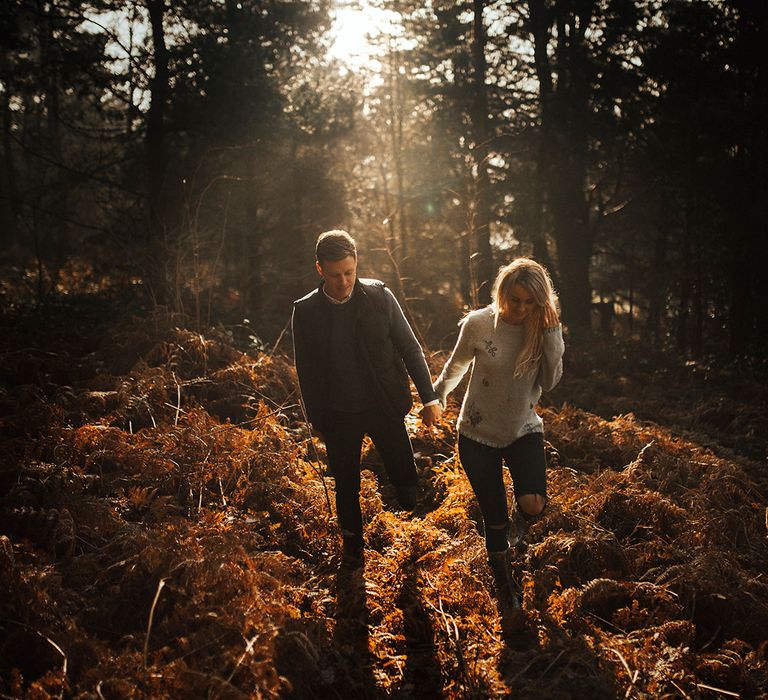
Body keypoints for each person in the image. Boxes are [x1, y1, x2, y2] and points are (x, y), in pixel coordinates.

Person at [292, 230, 442, 566]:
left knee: (405, 479)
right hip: (337, 413)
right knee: (346, 485)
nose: (344, 281)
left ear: (356, 263)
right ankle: (353, 549)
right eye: (335, 275)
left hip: (383, 405)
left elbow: (410, 347)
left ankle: (406, 496)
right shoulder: (306, 312)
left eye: (349, 272)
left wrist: (429, 397)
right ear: (320, 269)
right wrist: (317, 418)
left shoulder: (380, 297)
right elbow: (307, 371)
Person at [432, 258, 564, 605]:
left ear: (540, 301)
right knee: (494, 520)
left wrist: (552, 335)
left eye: (529, 302)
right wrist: (437, 396)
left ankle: (518, 531)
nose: (520, 308)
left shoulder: (542, 330)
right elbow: (456, 366)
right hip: (476, 435)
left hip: (524, 429)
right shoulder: (478, 324)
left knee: (533, 505)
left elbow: (550, 382)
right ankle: (505, 586)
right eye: (514, 299)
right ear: (502, 293)